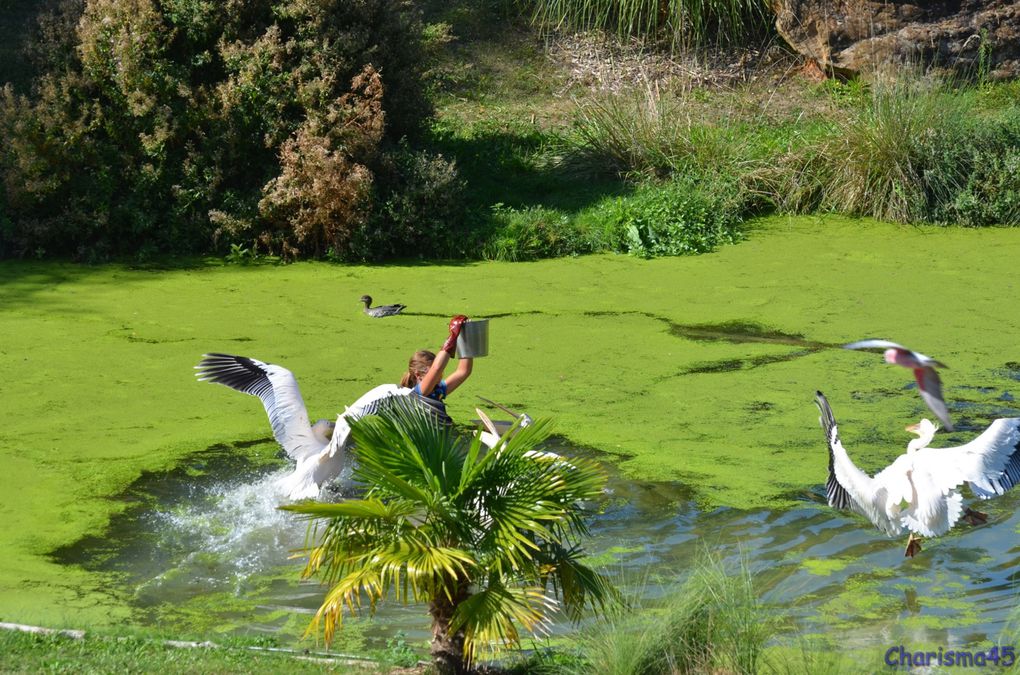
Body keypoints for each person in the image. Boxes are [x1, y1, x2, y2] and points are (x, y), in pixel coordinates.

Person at [399, 315, 473, 411]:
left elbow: (463, 371)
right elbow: (437, 368)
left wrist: (465, 337)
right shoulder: (417, 393)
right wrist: (453, 336)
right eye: (433, 373)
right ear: (418, 375)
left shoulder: (438, 389)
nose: (440, 375)